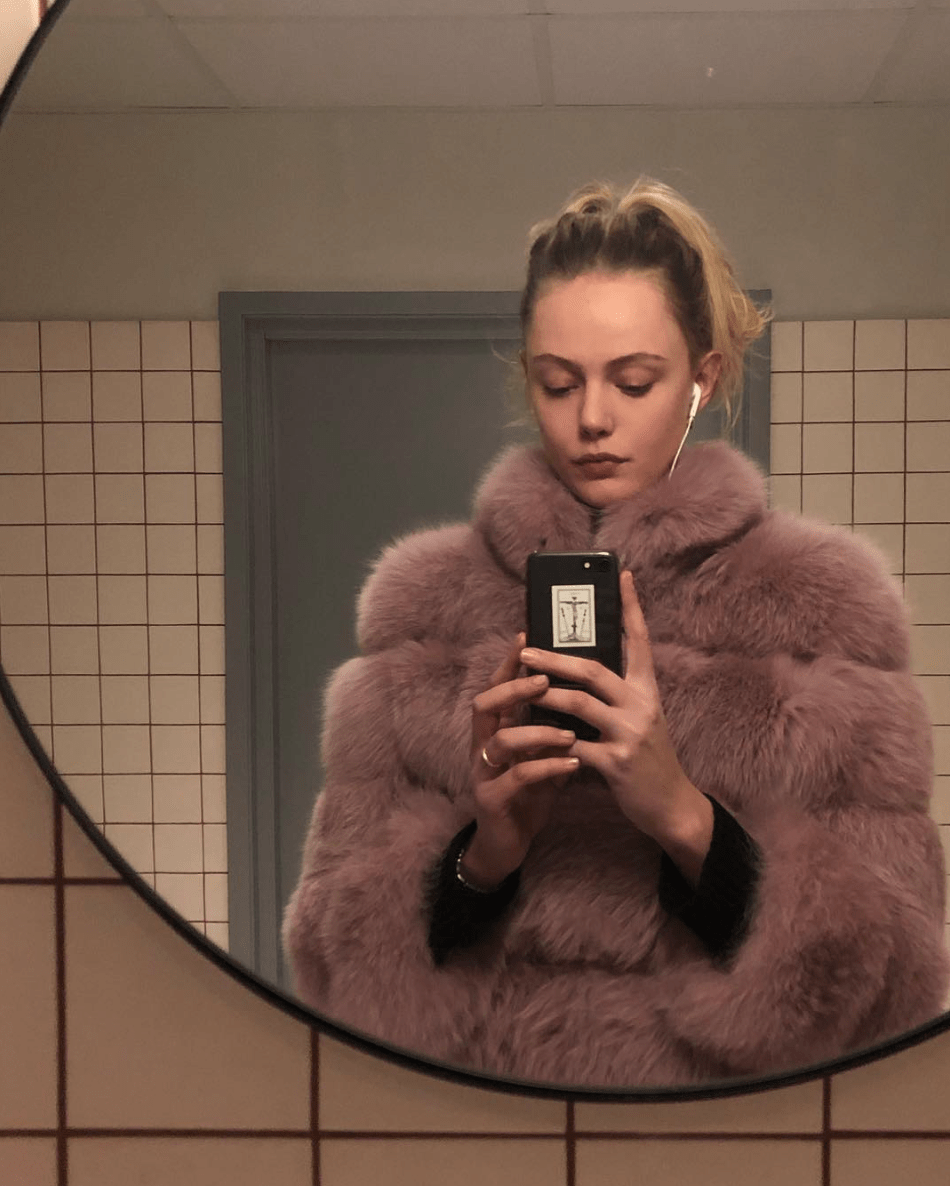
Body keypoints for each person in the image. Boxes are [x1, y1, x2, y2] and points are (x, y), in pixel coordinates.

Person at [282, 177, 948, 1087]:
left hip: (728, 1139)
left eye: (634, 381)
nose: (593, 418)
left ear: (704, 378)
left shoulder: (823, 610)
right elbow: (330, 976)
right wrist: (483, 858)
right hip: (480, 1130)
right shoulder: (423, 612)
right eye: (558, 383)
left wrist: (686, 820)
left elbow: (899, 995)